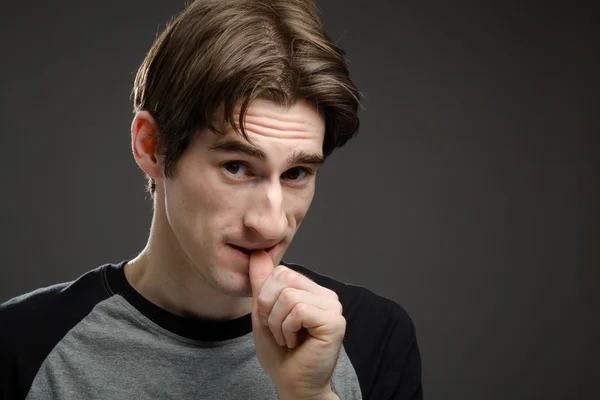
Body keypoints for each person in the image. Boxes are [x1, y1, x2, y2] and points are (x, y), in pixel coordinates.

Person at [0, 1, 423, 399]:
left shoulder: (372, 336)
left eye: (296, 173)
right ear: (151, 147)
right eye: (236, 167)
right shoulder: (20, 343)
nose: (271, 225)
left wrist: (310, 395)